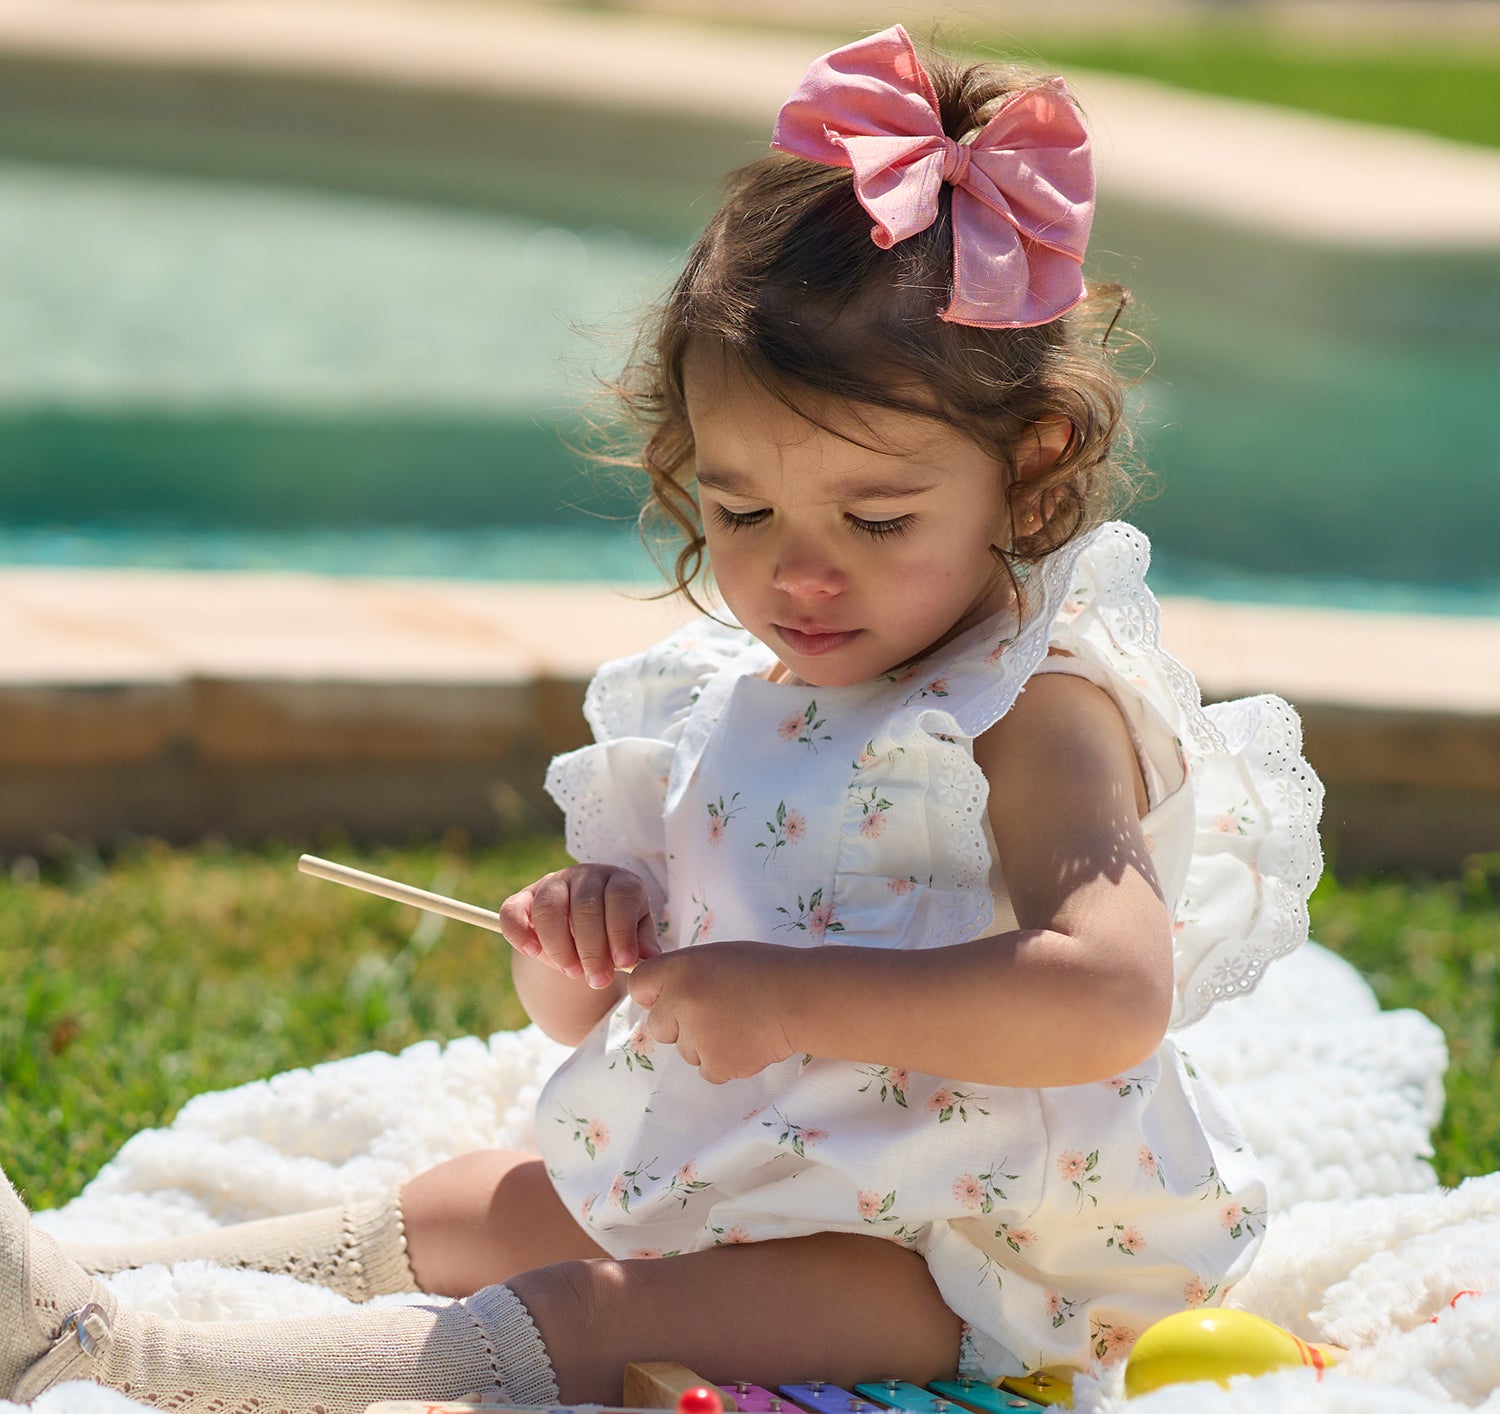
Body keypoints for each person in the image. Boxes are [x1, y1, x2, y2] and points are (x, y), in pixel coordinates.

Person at [3, 24, 1322, 1413]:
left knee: (586, 1311)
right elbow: (617, 1003)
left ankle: (119, 1359)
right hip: (786, 1159)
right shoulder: (747, 692)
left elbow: (1108, 993)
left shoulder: (1028, 705)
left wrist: (788, 996)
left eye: (878, 519)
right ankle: (104, 1270)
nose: (799, 569)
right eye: (742, 509)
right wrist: (591, 930)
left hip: (972, 1254)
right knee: (475, 1204)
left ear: (1031, 467)